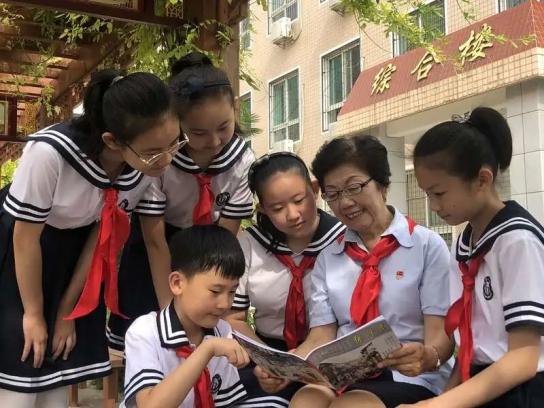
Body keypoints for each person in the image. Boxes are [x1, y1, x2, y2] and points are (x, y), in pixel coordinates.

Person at [0, 69, 181, 406]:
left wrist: (67, 313)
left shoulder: (145, 167)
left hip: (75, 258)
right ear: (112, 141)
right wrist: (34, 314)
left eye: (174, 143)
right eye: (155, 151)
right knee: (21, 367)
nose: (167, 159)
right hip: (19, 255)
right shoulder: (50, 154)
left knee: (58, 365)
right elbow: (24, 238)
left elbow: (101, 238)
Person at [288, 135, 453, 408]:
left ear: (382, 184)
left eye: (354, 187)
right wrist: (289, 366)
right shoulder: (329, 257)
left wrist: (428, 355)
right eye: (333, 194)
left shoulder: (426, 246)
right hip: (345, 376)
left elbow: (440, 334)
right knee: (305, 400)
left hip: (409, 376)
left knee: (352, 406)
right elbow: (321, 335)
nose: (345, 203)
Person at [107, 52, 255, 351]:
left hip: (208, 246)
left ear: (236, 108)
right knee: (150, 338)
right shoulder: (161, 161)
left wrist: (205, 295)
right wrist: (170, 312)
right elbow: (155, 241)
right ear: (176, 123)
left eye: (223, 127)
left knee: (201, 337)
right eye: (198, 133)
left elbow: (224, 236)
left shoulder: (242, 161)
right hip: (156, 250)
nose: (214, 141)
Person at [398, 107, 544, 408]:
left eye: (439, 193)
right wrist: (439, 387)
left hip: (523, 390)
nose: (433, 206)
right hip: (481, 381)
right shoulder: (464, 244)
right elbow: (469, 346)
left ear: (482, 179)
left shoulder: (517, 241)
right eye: (427, 194)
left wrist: (436, 405)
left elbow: (524, 357)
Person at [226, 152, 345, 406]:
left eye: (299, 200)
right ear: (262, 209)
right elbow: (233, 318)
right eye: (277, 208)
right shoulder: (250, 244)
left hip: (328, 353)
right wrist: (271, 363)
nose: (292, 214)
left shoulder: (342, 241)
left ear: (315, 190)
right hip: (266, 354)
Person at [122, 225, 250, 408]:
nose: (225, 304)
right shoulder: (145, 332)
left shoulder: (222, 331)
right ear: (177, 283)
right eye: (215, 291)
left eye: (232, 292)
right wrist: (206, 350)